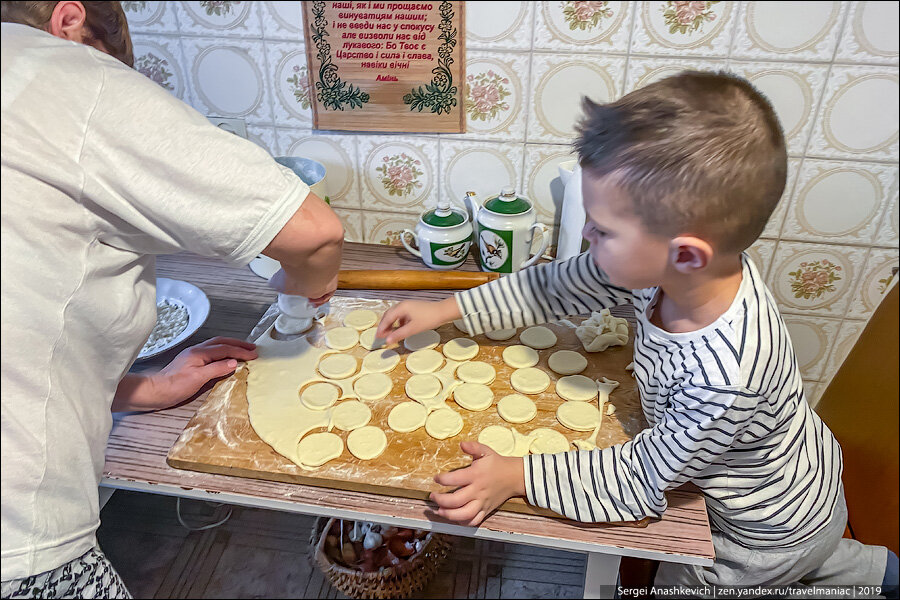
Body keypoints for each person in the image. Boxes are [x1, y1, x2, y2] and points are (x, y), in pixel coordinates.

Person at [374, 71, 897, 592]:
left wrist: (519, 476)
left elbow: (641, 477)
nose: (584, 233)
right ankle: (875, 571)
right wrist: (449, 308)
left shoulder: (725, 375)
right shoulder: (683, 270)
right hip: (799, 487)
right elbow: (558, 286)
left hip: (760, 532)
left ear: (686, 253)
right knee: (823, 557)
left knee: (690, 580)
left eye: (603, 230)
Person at [1, 1, 344, 598]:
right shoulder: (60, 74)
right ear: (68, 21)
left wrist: (144, 388)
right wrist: (307, 287)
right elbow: (315, 232)